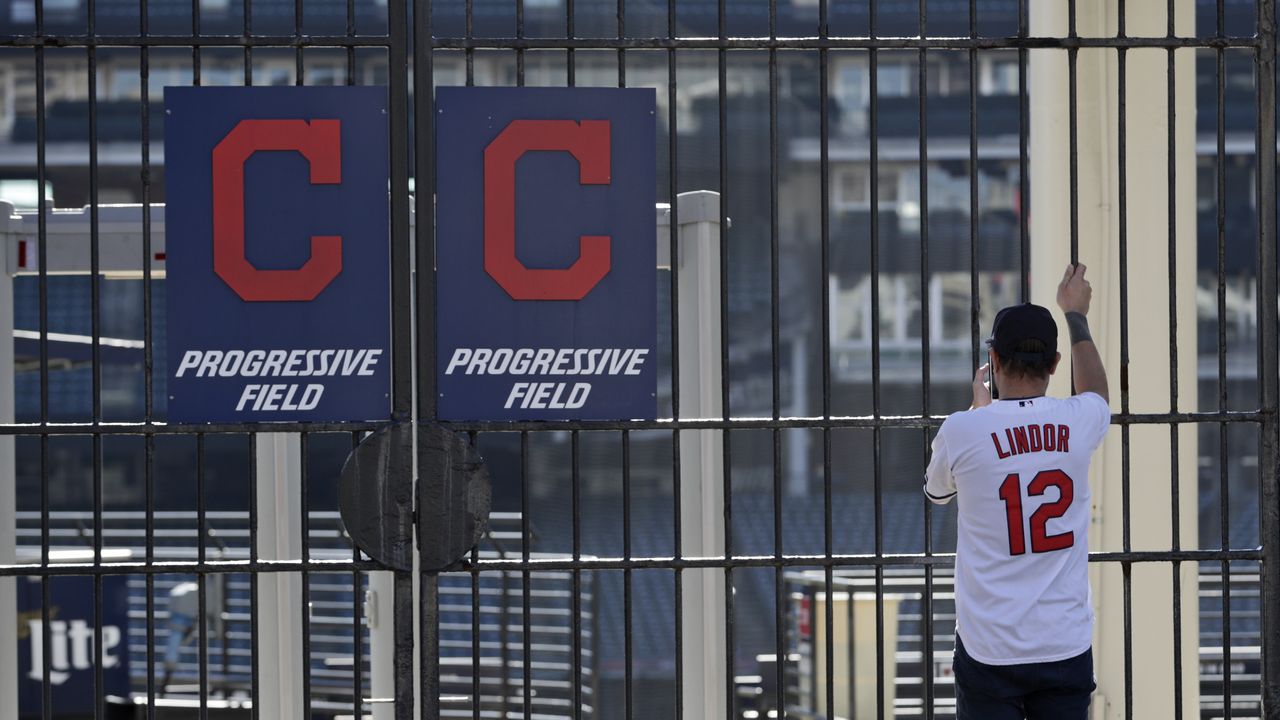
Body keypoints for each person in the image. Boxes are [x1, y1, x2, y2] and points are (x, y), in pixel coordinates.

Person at [924, 263, 1110, 720]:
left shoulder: (964, 429)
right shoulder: (1078, 420)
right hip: (1064, 642)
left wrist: (977, 409)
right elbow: (1098, 394)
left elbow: (936, 493)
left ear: (993, 361)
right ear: (1053, 364)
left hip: (990, 645)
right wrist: (1076, 314)